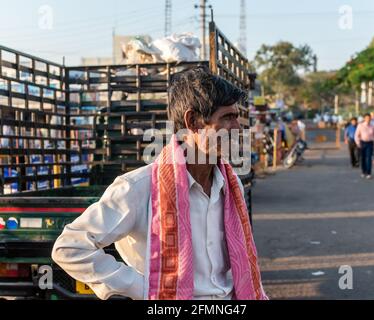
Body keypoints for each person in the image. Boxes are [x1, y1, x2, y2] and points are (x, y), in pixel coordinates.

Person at [52, 66, 268, 301]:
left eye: (236, 117)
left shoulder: (230, 183)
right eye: (227, 117)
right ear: (193, 121)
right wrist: (140, 289)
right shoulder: (139, 188)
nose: (237, 128)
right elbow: (69, 247)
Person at [355, 113, 374, 179]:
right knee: (363, 158)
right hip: (362, 143)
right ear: (364, 118)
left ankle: (369, 173)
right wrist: (358, 143)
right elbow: (356, 135)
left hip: (370, 143)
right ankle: (363, 171)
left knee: (369, 158)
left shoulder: (373, 126)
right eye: (366, 118)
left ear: (370, 119)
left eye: (369, 118)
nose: (368, 119)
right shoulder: (360, 125)